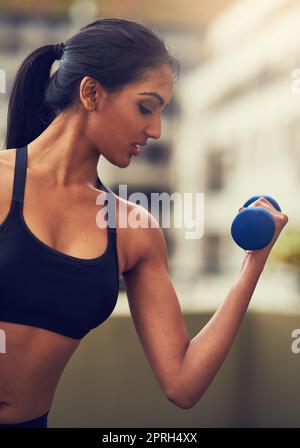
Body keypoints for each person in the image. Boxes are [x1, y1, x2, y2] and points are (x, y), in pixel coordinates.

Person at [0, 17, 288, 428]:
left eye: (161, 113)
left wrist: (253, 264)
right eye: (145, 107)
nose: (154, 130)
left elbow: (183, 384)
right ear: (91, 93)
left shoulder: (134, 229)